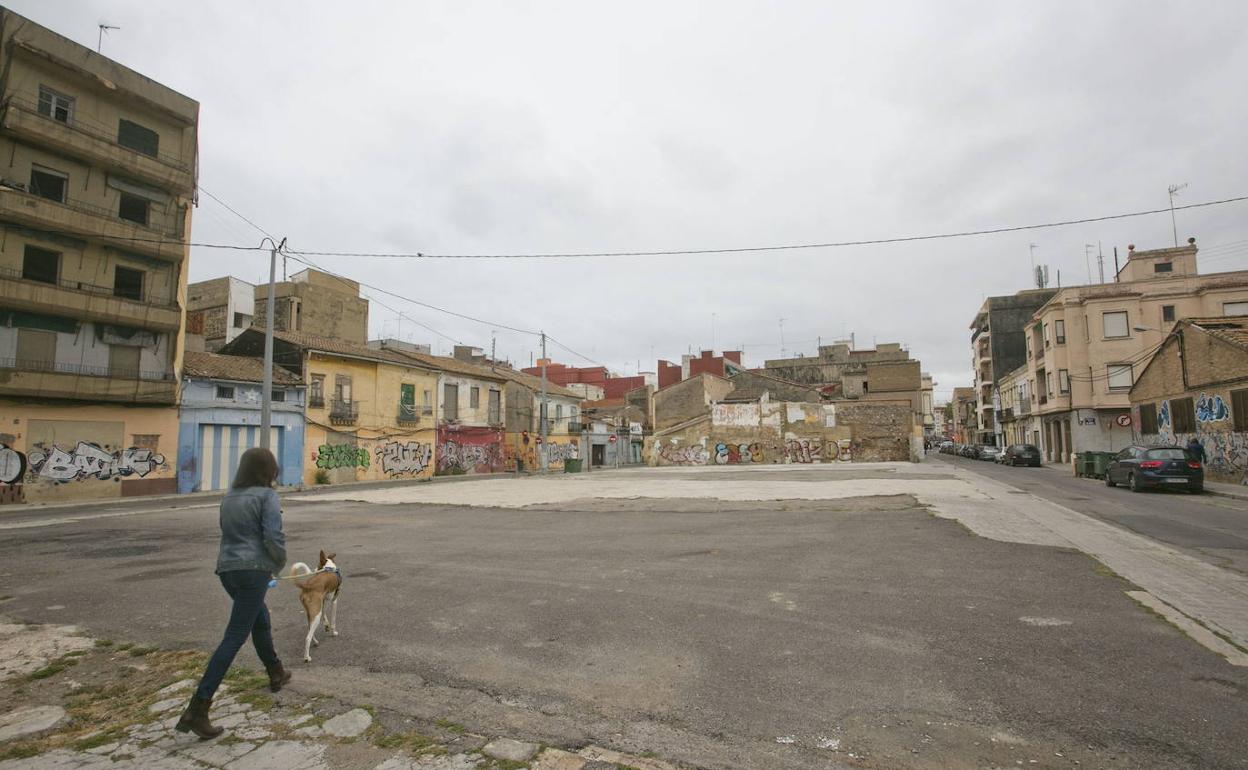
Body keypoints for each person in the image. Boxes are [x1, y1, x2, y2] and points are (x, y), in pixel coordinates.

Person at [177, 447, 291, 739]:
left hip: (227, 570)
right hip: (254, 570)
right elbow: (273, 536)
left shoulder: (229, 497)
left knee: (259, 618)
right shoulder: (267, 496)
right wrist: (277, 564)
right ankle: (198, 707)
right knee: (235, 635)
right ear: (269, 471)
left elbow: (226, 532)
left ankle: (275, 671)